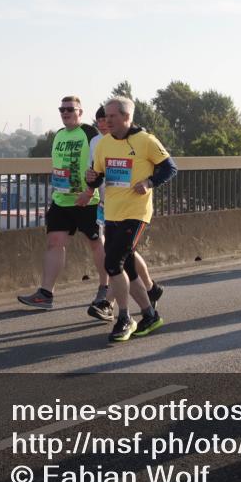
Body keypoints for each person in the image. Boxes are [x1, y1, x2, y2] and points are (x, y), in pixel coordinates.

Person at [88, 97, 177, 342]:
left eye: (112, 116)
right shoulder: (104, 144)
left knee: (112, 263)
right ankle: (150, 315)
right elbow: (98, 176)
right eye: (105, 116)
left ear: (127, 117)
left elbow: (170, 168)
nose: (107, 121)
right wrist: (91, 179)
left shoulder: (146, 141)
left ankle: (124, 317)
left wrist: (149, 182)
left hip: (136, 213)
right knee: (126, 266)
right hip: (112, 212)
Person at [18, 96, 108, 312]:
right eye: (62, 109)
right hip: (61, 199)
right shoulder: (59, 135)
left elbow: (100, 161)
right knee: (54, 242)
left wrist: (92, 190)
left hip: (88, 199)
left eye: (70, 109)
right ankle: (45, 294)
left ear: (80, 112)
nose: (65, 112)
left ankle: (105, 288)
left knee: (96, 243)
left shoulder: (89, 133)